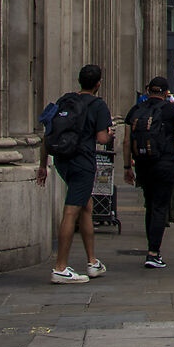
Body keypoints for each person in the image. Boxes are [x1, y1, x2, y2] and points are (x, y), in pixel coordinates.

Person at [35, 63, 114, 284]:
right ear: (98, 83)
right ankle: (60, 267)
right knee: (71, 212)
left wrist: (43, 165)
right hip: (83, 163)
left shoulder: (65, 100)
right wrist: (109, 134)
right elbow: (101, 139)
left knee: (85, 205)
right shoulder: (98, 105)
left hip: (62, 160)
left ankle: (92, 262)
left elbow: (47, 133)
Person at [121, 76, 174, 269]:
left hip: (143, 163)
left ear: (148, 90)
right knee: (160, 206)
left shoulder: (135, 110)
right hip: (164, 163)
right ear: (166, 93)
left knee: (149, 205)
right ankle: (153, 253)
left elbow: (126, 141)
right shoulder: (171, 109)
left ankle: (152, 249)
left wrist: (127, 167)